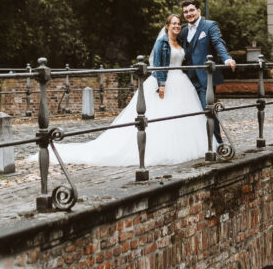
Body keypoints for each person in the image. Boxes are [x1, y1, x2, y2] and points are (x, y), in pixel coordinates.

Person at [52, 15, 208, 166]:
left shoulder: (179, 41)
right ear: (167, 26)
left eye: (178, 23)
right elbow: (158, 64)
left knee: (182, 116)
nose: (177, 26)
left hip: (181, 82)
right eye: (173, 23)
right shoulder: (162, 42)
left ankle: (182, 146)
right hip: (165, 80)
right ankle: (162, 150)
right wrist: (161, 84)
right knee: (160, 116)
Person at [178, 0, 235, 149]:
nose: (189, 14)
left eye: (191, 10)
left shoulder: (210, 26)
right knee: (191, 112)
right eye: (185, 12)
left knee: (208, 110)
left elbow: (217, 43)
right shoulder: (183, 31)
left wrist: (226, 58)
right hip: (189, 79)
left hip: (206, 78)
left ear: (198, 11)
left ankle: (218, 144)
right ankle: (198, 145)